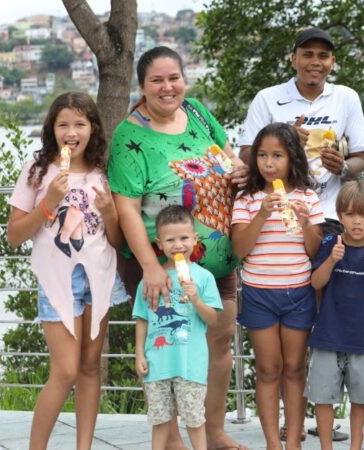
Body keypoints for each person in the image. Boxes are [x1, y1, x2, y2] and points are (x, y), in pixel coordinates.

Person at [107, 46, 248, 450]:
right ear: (142, 86)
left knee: (218, 341)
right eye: (157, 80)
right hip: (162, 263)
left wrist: (237, 169)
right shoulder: (129, 136)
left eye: (174, 78)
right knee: (165, 344)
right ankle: (170, 439)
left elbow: (225, 157)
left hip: (215, 261)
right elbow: (128, 210)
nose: (168, 88)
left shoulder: (200, 113)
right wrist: (151, 266)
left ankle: (214, 430)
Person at [6, 92, 129, 450]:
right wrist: (48, 203)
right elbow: (14, 236)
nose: (71, 132)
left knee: (91, 368)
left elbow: (117, 240)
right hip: (58, 278)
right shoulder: (37, 172)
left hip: (100, 275)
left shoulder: (102, 172)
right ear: (52, 129)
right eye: (63, 124)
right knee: (65, 371)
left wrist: (108, 213)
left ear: (92, 128)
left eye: (79, 123)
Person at [231, 122, 324, 450]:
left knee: (295, 368)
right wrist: (261, 215)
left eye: (277, 156)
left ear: (292, 159)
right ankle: (273, 442)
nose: (269, 163)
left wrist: (304, 223)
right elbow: (240, 250)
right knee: (268, 369)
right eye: (262, 155)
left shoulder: (308, 197)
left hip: (298, 291)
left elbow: (314, 251)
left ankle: (294, 441)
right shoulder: (247, 198)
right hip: (259, 293)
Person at [239, 26, 364, 239]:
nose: (316, 62)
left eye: (323, 56)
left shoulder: (347, 97)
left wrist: (343, 166)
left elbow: (360, 159)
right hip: (276, 209)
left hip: (328, 215)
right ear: (293, 59)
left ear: (333, 62)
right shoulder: (267, 98)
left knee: (324, 271)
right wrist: (283, 138)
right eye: (307, 54)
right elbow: (245, 155)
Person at [307, 179, 364, 450]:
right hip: (327, 334)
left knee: (360, 398)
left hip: (363, 337)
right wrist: (332, 259)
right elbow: (315, 283)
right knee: (323, 397)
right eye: (351, 214)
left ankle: (356, 447)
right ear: (340, 214)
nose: (357, 221)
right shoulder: (331, 241)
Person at [134, 205, 222, 450]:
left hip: (190, 364)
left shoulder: (204, 278)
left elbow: (212, 319)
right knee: (160, 420)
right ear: (159, 243)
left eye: (184, 238)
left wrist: (196, 299)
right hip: (157, 363)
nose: (178, 245)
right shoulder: (151, 278)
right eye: (170, 240)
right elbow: (142, 317)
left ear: (195, 239)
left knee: (194, 419)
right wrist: (139, 353)